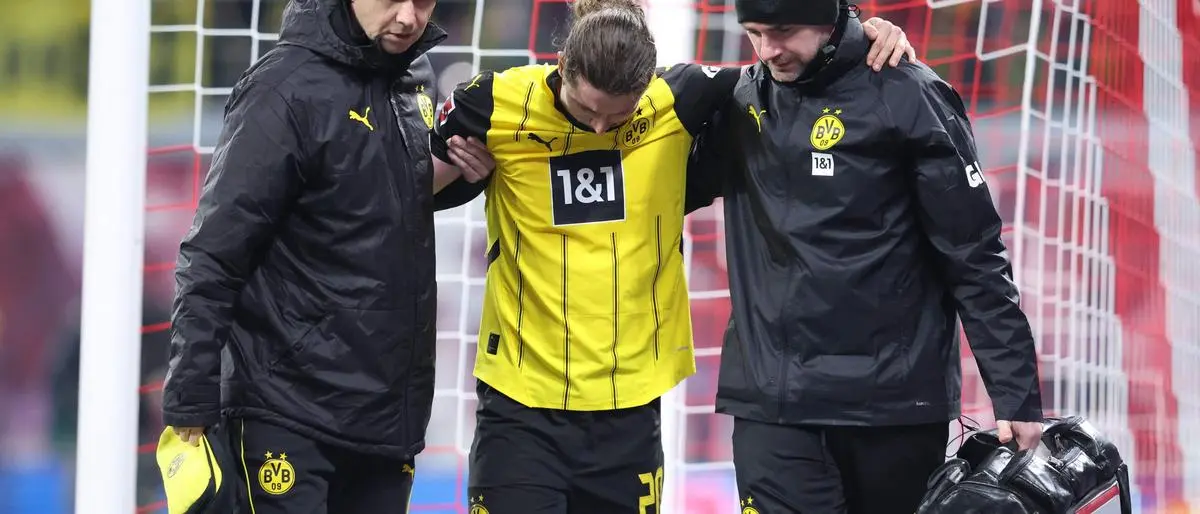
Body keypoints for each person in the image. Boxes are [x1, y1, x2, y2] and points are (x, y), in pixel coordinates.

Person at [429, 1, 913, 512]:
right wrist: (461, 178)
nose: (598, 128)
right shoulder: (493, 101)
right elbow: (405, 194)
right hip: (519, 405)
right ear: (563, 65)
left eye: (618, 114)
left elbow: (795, 66)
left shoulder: (681, 98)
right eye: (585, 108)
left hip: (631, 406)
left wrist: (859, 32)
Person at [683, 1, 1046, 513]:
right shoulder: (744, 99)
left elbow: (973, 254)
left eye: (782, 32)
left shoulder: (910, 94)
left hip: (892, 409)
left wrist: (1015, 394)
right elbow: (670, 189)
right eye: (754, 33)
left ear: (827, 20)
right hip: (774, 407)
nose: (768, 51)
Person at [160, 0, 492, 512]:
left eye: (423, 1)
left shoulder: (413, 77)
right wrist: (190, 393)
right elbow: (212, 253)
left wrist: (458, 169)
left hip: (385, 422)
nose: (409, 17)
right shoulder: (283, 88)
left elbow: (374, 194)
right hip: (285, 409)